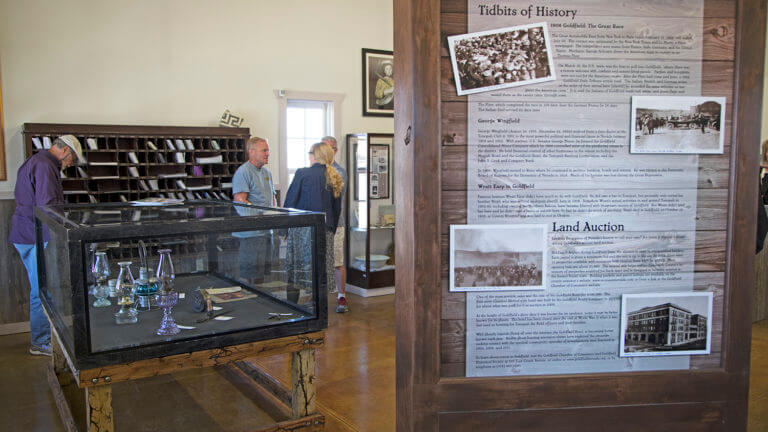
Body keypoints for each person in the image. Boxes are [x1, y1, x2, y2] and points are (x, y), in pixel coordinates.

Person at [10, 135, 84, 356]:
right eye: (72, 161)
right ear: (65, 152)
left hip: (26, 233)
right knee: (41, 290)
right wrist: (64, 231)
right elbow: (48, 207)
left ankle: (42, 338)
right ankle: (41, 341)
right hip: (35, 235)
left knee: (39, 287)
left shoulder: (37, 161)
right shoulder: (45, 166)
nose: (69, 165)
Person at [283, 142, 343, 305]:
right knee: (320, 270)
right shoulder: (334, 176)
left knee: (296, 270)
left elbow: (290, 202)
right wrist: (330, 230)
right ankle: (319, 311)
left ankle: (292, 307)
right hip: (325, 231)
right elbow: (337, 209)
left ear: (315, 155)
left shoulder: (303, 173)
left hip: (302, 230)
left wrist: (284, 230)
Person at [232, 137, 276, 285]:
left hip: (266, 231)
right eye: (264, 150)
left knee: (261, 273)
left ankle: (259, 304)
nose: (268, 153)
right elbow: (240, 201)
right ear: (251, 152)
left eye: (268, 150)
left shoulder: (266, 173)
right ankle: (245, 305)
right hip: (250, 233)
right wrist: (260, 214)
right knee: (248, 273)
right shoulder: (243, 172)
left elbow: (272, 199)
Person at [322, 136, 349, 313]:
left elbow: (334, 196)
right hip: (318, 223)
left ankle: (341, 296)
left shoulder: (339, 171)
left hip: (335, 223)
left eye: (328, 148)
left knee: (337, 261)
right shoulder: (314, 170)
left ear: (335, 151)